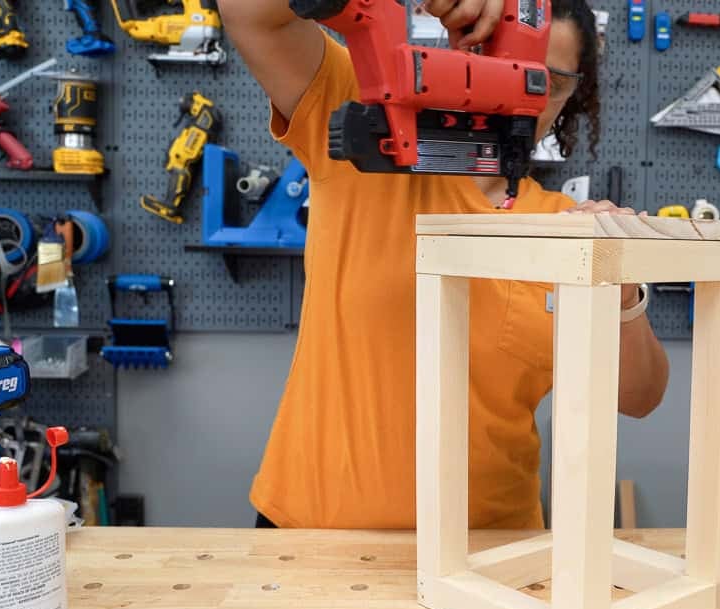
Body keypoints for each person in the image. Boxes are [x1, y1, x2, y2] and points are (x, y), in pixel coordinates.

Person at [221, 0, 670, 529]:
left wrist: (618, 283)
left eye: (547, 80)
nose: (522, 90)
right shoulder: (366, 115)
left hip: (493, 553)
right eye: (502, 63)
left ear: (571, 96)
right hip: (316, 534)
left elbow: (639, 396)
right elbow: (247, 11)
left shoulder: (565, 225)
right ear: (462, 45)